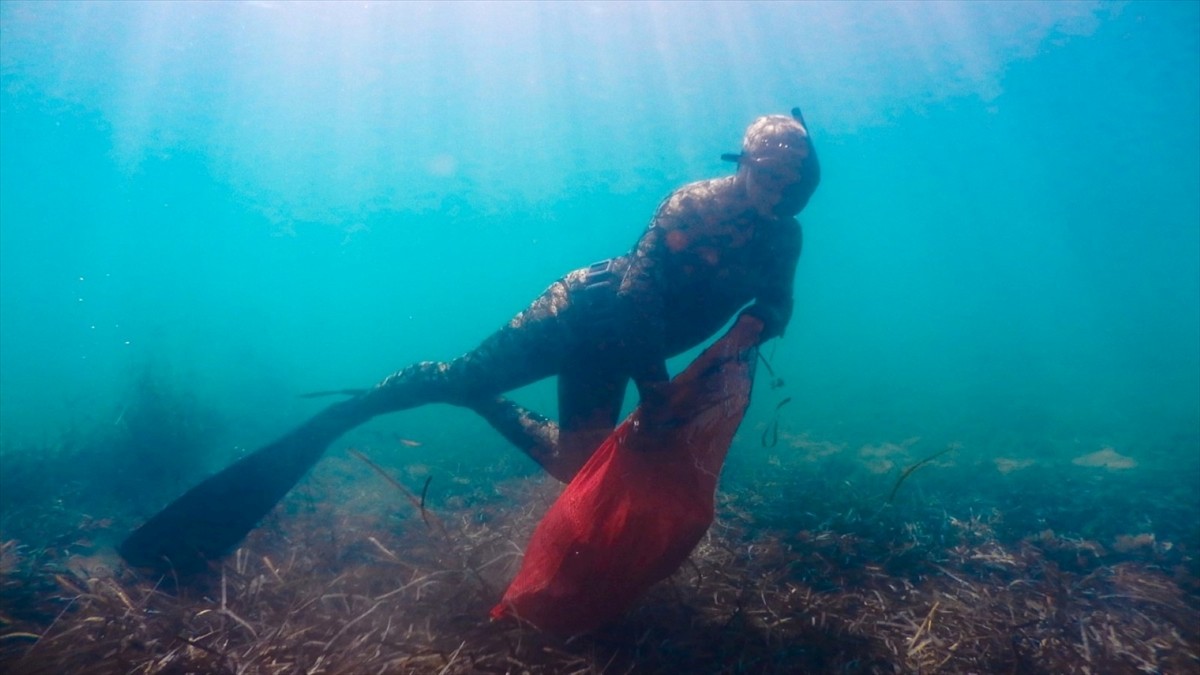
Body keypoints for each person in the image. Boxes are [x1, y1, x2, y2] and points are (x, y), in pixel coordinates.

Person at [349, 109, 821, 482]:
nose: (782, 192)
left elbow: (779, 304)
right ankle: (387, 394)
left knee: (577, 468)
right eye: (771, 176)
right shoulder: (694, 205)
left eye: (795, 181)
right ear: (743, 164)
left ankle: (481, 398)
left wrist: (746, 332)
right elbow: (639, 295)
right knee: (461, 378)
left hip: (616, 353)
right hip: (578, 312)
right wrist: (657, 388)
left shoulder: (785, 237)